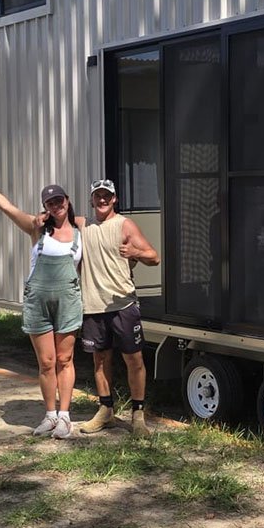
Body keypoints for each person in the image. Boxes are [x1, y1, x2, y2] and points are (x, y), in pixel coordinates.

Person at [0, 165, 82, 439]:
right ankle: (50, 415)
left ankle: (66, 417)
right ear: (45, 207)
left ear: (67, 201)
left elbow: (109, 232)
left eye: (59, 200)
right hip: (38, 301)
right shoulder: (37, 228)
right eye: (50, 202)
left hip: (68, 300)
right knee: (46, 361)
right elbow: (8, 208)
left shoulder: (82, 229)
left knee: (65, 359)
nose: (56, 206)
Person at [77, 177, 160, 434]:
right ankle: (106, 411)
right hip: (93, 306)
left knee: (133, 360)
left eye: (107, 195)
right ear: (91, 199)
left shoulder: (125, 225)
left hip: (123, 304)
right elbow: (48, 216)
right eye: (97, 195)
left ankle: (137, 415)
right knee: (100, 361)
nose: (102, 199)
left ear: (114, 199)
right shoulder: (82, 224)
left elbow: (154, 257)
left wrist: (135, 253)